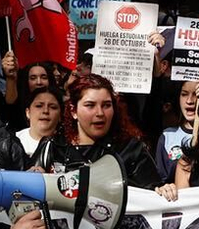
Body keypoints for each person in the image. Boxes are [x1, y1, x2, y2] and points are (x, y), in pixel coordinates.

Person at [41, 72, 175, 196]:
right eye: (90, 105)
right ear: (73, 111)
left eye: (106, 105)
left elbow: (152, 192)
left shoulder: (130, 150)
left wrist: (163, 190)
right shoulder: (53, 146)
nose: (100, 113)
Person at [154, 80, 199, 178]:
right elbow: (159, 178)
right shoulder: (167, 137)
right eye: (184, 94)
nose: (190, 101)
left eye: (196, 94)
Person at [16, 86, 61, 159]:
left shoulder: (68, 146)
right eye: (39, 106)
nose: (45, 111)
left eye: (52, 107)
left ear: (60, 115)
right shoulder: (14, 141)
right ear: (28, 112)